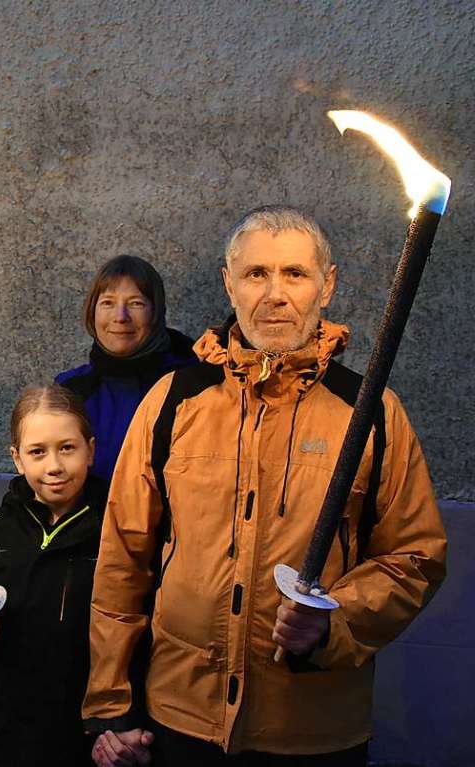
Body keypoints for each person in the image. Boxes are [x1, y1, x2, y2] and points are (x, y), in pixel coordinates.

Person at [83, 206, 447, 766]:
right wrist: (112, 705)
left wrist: (336, 619)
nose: (275, 294)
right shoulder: (173, 401)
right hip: (180, 718)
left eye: (295, 274)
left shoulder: (370, 412)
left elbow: (414, 556)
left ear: (327, 285)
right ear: (229, 284)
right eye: (256, 274)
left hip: (311, 727)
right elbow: (123, 560)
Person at [0, 384, 107, 767]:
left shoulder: (115, 534)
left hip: (78, 732)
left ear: (91, 450)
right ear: (17, 459)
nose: (54, 466)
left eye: (67, 448)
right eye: (37, 452)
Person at [56, 255, 197, 482]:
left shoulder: (191, 385)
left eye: (136, 303)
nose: (120, 317)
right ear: (92, 311)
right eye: (108, 303)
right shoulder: (70, 391)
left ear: (156, 312)